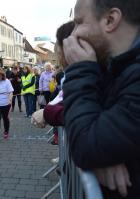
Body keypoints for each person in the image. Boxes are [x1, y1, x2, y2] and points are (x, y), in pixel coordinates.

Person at [62, 0, 140, 198]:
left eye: (79, 22)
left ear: (110, 20)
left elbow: (87, 144)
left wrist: (79, 70)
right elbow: (95, 137)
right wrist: (104, 154)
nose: (72, 35)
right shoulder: (117, 68)